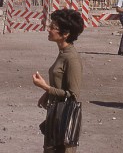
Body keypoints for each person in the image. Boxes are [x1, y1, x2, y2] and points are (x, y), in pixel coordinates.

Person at [32, 8, 84, 153]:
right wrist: (47, 95)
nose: (49, 29)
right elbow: (60, 83)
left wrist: (46, 88)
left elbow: (73, 95)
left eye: (53, 27)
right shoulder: (62, 53)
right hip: (55, 115)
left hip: (64, 119)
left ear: (65, 34)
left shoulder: (71, 58)